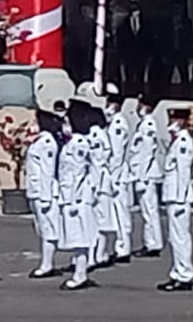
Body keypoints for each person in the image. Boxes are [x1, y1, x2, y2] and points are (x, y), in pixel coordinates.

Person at [60, 100, 101, 291]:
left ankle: (80, 275)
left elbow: (77, 173)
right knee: (77, 237)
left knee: (80, 237)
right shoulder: (75, 142)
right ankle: (80, 272)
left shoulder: (79, 144)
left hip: (76, 198)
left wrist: (73, 199)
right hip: (72, 196)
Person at [159, 107, 193, 292]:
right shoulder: (177, 141)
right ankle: (176, 273)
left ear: (181, 121)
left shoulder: (183, 142)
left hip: (178, 198)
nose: (170, 122)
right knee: (174, 238)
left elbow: (183, 174)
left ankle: (185, 276)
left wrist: (181, 200)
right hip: (173, 197)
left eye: (173, 119)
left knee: (180, 238)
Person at [26, 109, 63, 278]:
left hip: (44, 192)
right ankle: (46, 263)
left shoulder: (47, 142)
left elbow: (48, 171)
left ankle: (47, 265)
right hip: (36, 191)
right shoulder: (39, 141)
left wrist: (47, 196)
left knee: (48, 229)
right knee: (41, 229)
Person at [127, 93, 164, 258]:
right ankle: (151, 242)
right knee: (147, 211)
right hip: (142, 172)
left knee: (149, 210)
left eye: (139, 103)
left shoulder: (148, 125)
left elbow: (147, 152)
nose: (136, 107)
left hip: (146, 174)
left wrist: (142, 177)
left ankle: (153, 244)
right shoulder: (144, 124)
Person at [102, 87, 133, 264]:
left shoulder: (118, 125)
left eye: (109, 103)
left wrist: (113, 178)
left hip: (118, 177)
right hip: (116, 176)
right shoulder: (112, 123)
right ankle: (120, 246)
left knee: (121, 214)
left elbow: (117, 154)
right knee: (116, 213)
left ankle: (123, 248)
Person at [87, 91, 117, 269]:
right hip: (99, 182)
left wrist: (95, 187)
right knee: (99, 221)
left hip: (101, 183)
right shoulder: (98, 133)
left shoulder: (96, 134)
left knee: (101, 220)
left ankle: (98, 254)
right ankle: (99, 254)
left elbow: (99, 161)